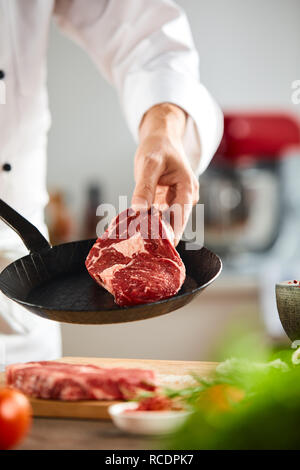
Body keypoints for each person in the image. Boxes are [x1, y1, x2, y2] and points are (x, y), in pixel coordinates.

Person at [0, 0, 223, 364]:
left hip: (16, 268)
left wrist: (163, 124)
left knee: (38, 415)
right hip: (23, 276)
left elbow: (140, 25)